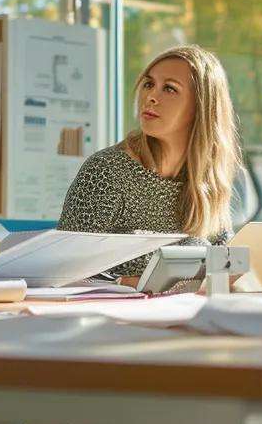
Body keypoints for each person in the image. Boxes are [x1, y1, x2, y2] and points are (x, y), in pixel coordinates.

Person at [57, 45, 245, 280]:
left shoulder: (205, 181)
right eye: (148, 84)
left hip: (187, 312)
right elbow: (65, 272)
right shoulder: (106, 172)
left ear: (201, 107)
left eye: (169, 88)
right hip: (116, 314)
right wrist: (139, 284)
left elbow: (228, 262)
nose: (151, 97)